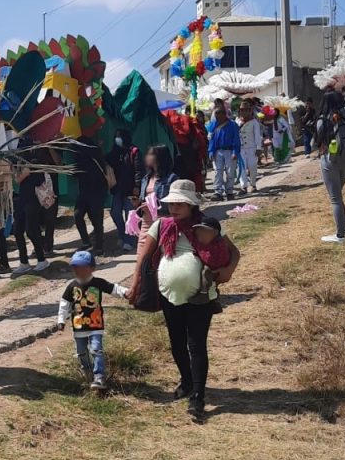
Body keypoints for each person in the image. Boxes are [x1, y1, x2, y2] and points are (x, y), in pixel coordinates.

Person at [127, 180, 240, 419]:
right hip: (170, 296)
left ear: (191, 205)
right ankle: (187, 381)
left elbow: (234, 252)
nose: (175, 208)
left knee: (196, 344)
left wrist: (228, 271)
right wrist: (135, 284)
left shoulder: (206, 224)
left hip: (201, 296)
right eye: (172, 203)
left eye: (180, 203)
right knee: (176, 343)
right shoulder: (162, 225)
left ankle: (198, 396)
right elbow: (143, 258)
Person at [56, 250, 129, 391]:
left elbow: (114, 288)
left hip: (96, 325)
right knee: (82, 352)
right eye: (75, 267)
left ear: (92, 268)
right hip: (79, 327)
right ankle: (87, 371)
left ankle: (99, 376)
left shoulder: (98, 283)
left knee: (96, 350)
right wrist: (61, 320)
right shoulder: (72, 286)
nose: (78, 271)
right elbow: (64, 304)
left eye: (83, 267)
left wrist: (126, 293)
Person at [317, 89, 345, 243]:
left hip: (330, 160)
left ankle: (340, 235)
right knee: (338, 196)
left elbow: (318, 142)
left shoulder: (323, 119)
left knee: (335, 198)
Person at [11, 141, 50, 275]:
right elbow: (17, 178)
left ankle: (41, 259)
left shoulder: (34, 160)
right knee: (17, 230)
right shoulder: (23, 163)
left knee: (31, 230)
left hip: (33, 200)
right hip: (23, 199)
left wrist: (20, 171)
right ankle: (24, 262)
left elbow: (20, 177)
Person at [71, 135, 109, 255]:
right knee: (78, 215)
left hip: (96, 191)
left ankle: (99, 246)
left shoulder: (94, 155)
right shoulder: (87, 154)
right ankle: (86, 242)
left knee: (97, 220)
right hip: (85, 192)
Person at [135, 145, 178, 250]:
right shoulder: (146, 178)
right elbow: (143, 198)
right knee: (141, 251)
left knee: (160, 252)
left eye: (151, 154)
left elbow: (174, 202)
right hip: (146, 221)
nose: (147, 157)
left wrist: (153, 205)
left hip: (163, 220)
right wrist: (138, 203)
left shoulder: (171, 178)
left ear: (160, 157)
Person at [107, 130, 139, 251]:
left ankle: (129, 240)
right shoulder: (114, 153)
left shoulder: (133, 152)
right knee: (115, 213)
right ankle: (123, 234)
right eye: (116, 137)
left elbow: (138, 170)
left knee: (130, 215)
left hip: (130, 190)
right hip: (117, 189)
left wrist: (137, 186)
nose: (117, 139)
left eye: (119, 137)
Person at [190, 217, 230, 311]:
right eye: (199, 230)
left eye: (204, 231)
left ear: (215, 233)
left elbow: (211, 260)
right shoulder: (205, 243)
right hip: (212, 270)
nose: (200, 234)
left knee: (206, 277)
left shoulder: (218, 245)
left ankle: (204, 296)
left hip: (214, 270)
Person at [207, 108, 241, 201]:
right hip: (217, 152)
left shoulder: (233, 125)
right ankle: (218, 192)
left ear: (224, 114)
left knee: (230, 172)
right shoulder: (213, 125)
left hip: (229, 151)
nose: (217, 116)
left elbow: (236, 139)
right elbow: (211, 140)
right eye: (216, 114)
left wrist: (235, 152)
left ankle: (229, 191)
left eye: (219, 113)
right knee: (218, 172)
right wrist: (210, 151)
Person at [236, 102, 263, 193]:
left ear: (250, 111)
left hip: (252, 148)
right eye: (242, 110)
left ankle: (253, 184)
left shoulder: (254, 122)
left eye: (246, 110)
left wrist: (259, 148)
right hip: (241, 148)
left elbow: (257, 136)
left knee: (252, 166)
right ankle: (243, 187)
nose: (244, 112)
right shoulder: (237, 121)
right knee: (241, 168)